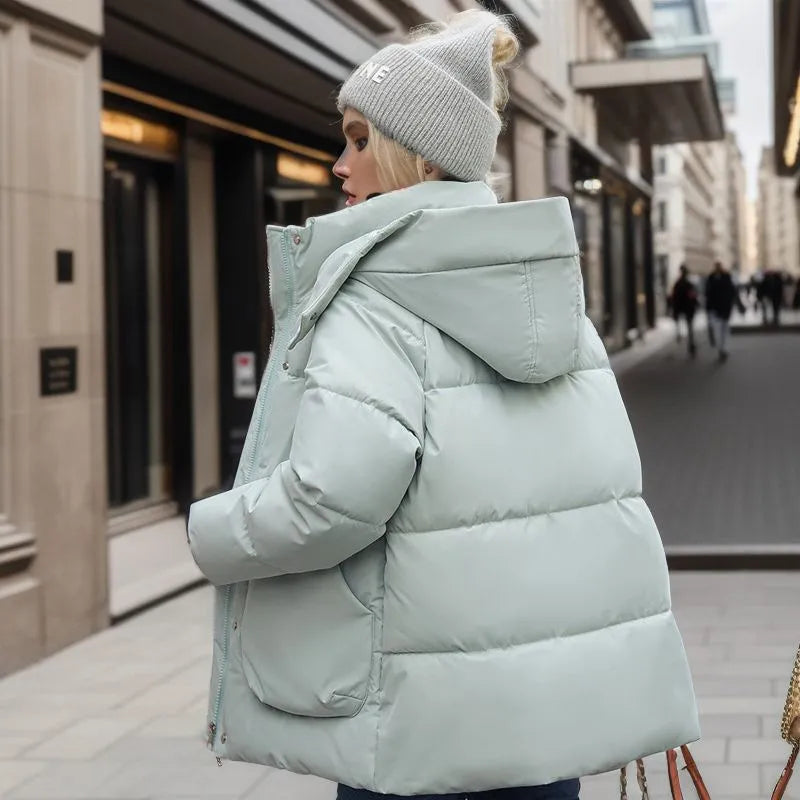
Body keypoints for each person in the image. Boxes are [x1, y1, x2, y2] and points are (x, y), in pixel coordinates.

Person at [187, 10, 699, 800]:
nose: (337, 163)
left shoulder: (370, 300)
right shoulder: (543, 294)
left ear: (418, 157)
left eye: (359, 138)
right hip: (544, 725)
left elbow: (331, 497)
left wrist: (213, 529)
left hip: (420, 730)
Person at [705, 261, 741, 361]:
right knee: (721, 329)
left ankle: (723, 348)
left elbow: (731, 292)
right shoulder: (712, 278)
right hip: (718, 309)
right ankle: (722, 348)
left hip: (723, 308)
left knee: (723, 329)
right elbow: (709, 295)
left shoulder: (723, 277)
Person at [669, 264, 699, 356]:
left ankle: (686, 340)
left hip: (682, 308)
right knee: (689, 327)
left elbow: (674, 297)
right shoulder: (687, 284)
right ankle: (690, 343)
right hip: (687, 308)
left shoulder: (678, 284)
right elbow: (692, 296)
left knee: (687, 326)